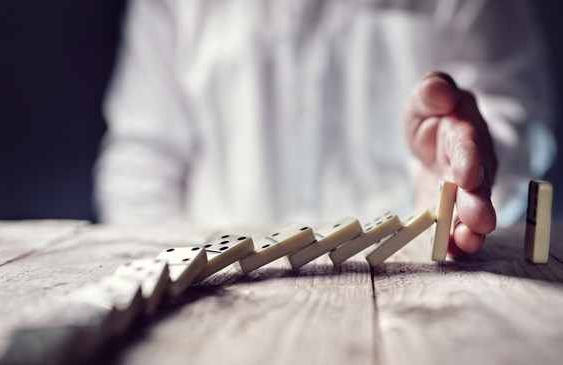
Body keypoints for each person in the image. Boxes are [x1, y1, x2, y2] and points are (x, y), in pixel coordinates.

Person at [95, 0, 555, 257]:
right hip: (214, 287)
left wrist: (474, 169)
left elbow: (519, 117)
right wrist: (173, 275)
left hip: (409, 288)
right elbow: (142, 159)